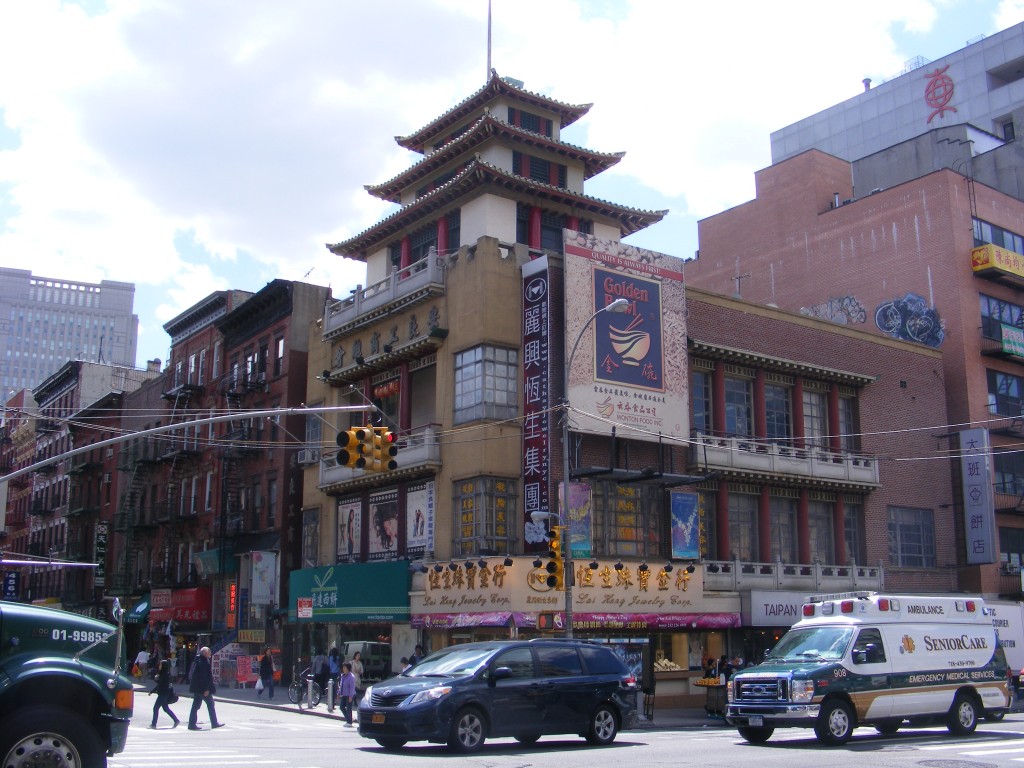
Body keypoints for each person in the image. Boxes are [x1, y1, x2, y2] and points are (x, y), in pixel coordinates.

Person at [187, 646, 224, 730]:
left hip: (197, 688)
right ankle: (214, 723)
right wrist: (206, 689)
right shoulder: (203, 663)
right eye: (209, 651)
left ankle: (191, 724)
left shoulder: (198, 661)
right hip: (202, 688)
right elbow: (203, 677)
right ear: (205, 653)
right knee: (210, 704)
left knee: (195, 706)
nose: (210, 653)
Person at [150, 659, 180, 729]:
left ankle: (153, 724)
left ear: (164, 666)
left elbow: (161, 683)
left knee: (155, 708)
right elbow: (159, 685)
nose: (159, 666)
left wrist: (156, 679)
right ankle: (176, 720)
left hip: (163, 694)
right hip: (163, 693)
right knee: (166, 708)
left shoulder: (166, 674)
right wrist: (152, 691)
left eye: (160, 665)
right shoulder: (162, 673)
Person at [338, 661, 357, 726]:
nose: (343, 668)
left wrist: (351, 696)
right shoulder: (343, 675)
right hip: (344, 694)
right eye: (343, 667)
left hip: (350, 694)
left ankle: (349, 722)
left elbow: (352, 687)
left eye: (345, 667)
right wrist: (339, 693)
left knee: (349, 708)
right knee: (341, 707)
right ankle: (349, 719)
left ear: (348, 668)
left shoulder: (351, 677)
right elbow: (341, 685)